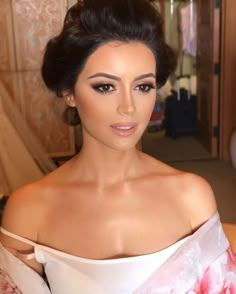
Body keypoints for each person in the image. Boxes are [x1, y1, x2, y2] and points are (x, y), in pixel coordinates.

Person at [0, 0, 235, 293]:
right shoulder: (28, 210)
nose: (128, 107)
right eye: (105, 87)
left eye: (143, 86)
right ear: (69, 92)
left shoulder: (192, 196)